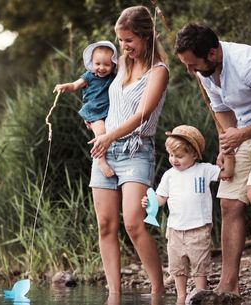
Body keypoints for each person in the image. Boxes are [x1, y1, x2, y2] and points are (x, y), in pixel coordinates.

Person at [174, 23, 251, 301]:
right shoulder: (205, 71)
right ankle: (229, 284)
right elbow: (222, 110)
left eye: (193, 64)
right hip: (244, 132)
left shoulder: (250, 63)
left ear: (212, 53)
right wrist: (227, 146)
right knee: (229, 202)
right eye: (186, 65)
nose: (190, 71)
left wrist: (241, 134)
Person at [87, 5, 169, 300]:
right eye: (121, 40)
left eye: (129, 40)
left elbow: (143, 114)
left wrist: (108, 136)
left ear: (146, 36)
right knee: (105, 225)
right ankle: (114, 295)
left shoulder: (159, 71)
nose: (124, 47)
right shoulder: (119, 63)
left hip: (137, 150)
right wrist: (97, 127)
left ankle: (158, 291)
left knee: (134, 223)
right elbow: (94, 92)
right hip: (105, 151)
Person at [140, 125, 220, 305]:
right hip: (175, 229)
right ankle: (181, 296)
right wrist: (149, 202)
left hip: (198, 228)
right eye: (171, 155)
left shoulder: (204, 170)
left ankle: (200, 293)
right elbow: (161, 197)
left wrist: (227, 154)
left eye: (180, 156)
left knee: (200, 265)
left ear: (194, 154)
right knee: (177, 267)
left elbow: (225, 173)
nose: (174, 160)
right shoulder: (169, 175)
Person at [54, 41, 118, 177]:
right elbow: (75, 85)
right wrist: (65, 86)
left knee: (110, 131)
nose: (101, 68)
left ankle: (110, 156)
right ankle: (100, 160)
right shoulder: (89, 76)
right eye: (97, 64)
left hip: (108, 111)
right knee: (101, 133)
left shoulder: (114, 77)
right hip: (94, 111)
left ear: (113, 64)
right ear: (92, 63)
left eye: (107, 64)